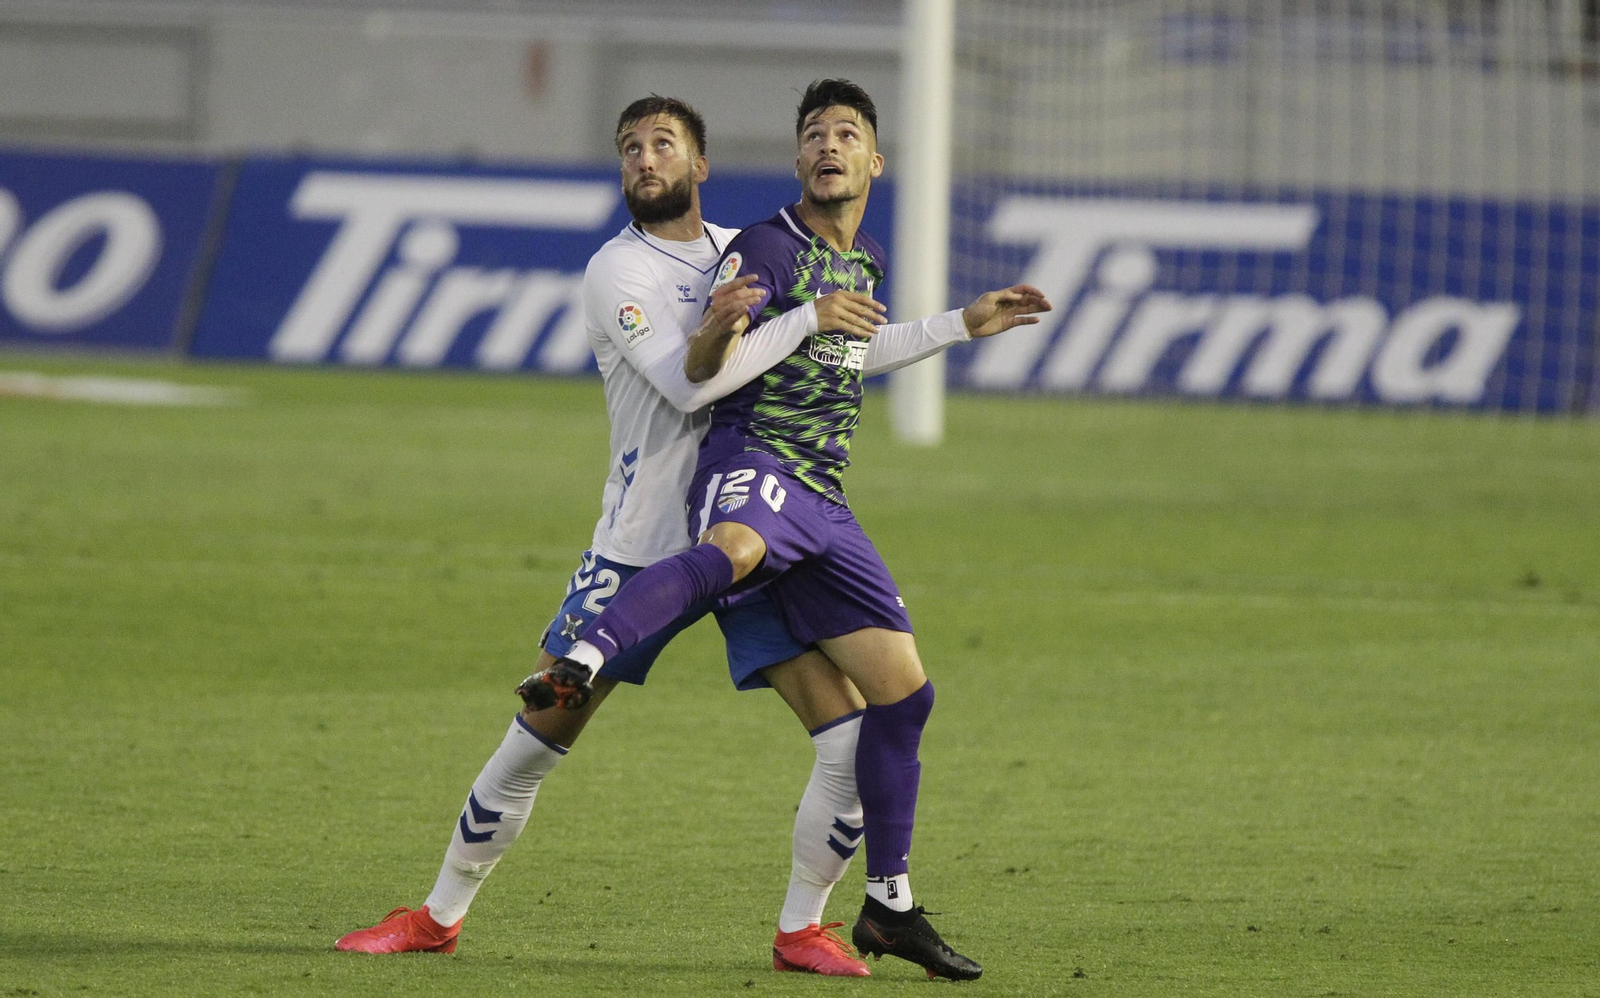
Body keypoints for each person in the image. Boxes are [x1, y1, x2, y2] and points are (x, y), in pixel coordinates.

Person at [335, 94, 995, 977]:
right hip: (646, 544)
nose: (645, 160)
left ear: (700, 164)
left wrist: (935, 326)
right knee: (539, 733)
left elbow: (829, 349)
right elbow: (692, 388)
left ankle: (805, 928)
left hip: (761, 527)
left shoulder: (745, 250)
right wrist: (792, 321)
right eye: (630, 149)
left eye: (663, 145)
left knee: (849, 737)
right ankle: (437, 915)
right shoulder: (620, 273)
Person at [525, 80, 1051, 982]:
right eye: (813, 134)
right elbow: (711, 359)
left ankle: (888, 907)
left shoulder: (866, 256)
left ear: (874, 162)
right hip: (753, 460)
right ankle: (583, 655)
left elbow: (854, 347)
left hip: (825, 499)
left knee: (906, 696)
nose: (828, 146)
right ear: (798, 158)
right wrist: (759, 319)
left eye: (847, 133)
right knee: (732, 551)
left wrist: (962, 325)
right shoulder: (769, 245)